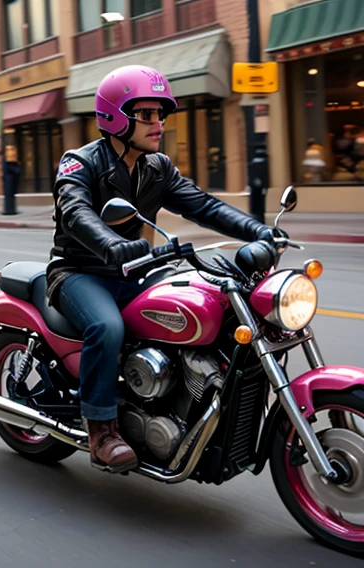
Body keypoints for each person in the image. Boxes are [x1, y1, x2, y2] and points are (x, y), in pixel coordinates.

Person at [47, 65, 282, 474]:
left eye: (161, 114)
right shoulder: (79, 162)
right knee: (107, 327)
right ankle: (101, 428)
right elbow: (75, 213)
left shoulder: (157, 167)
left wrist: (259, 230)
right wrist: (113, 245)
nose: (158, 124)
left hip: (136, 271)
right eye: (147, 115)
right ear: (116, 117)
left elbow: (204, 206)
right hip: (79, 273)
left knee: (205, 305)